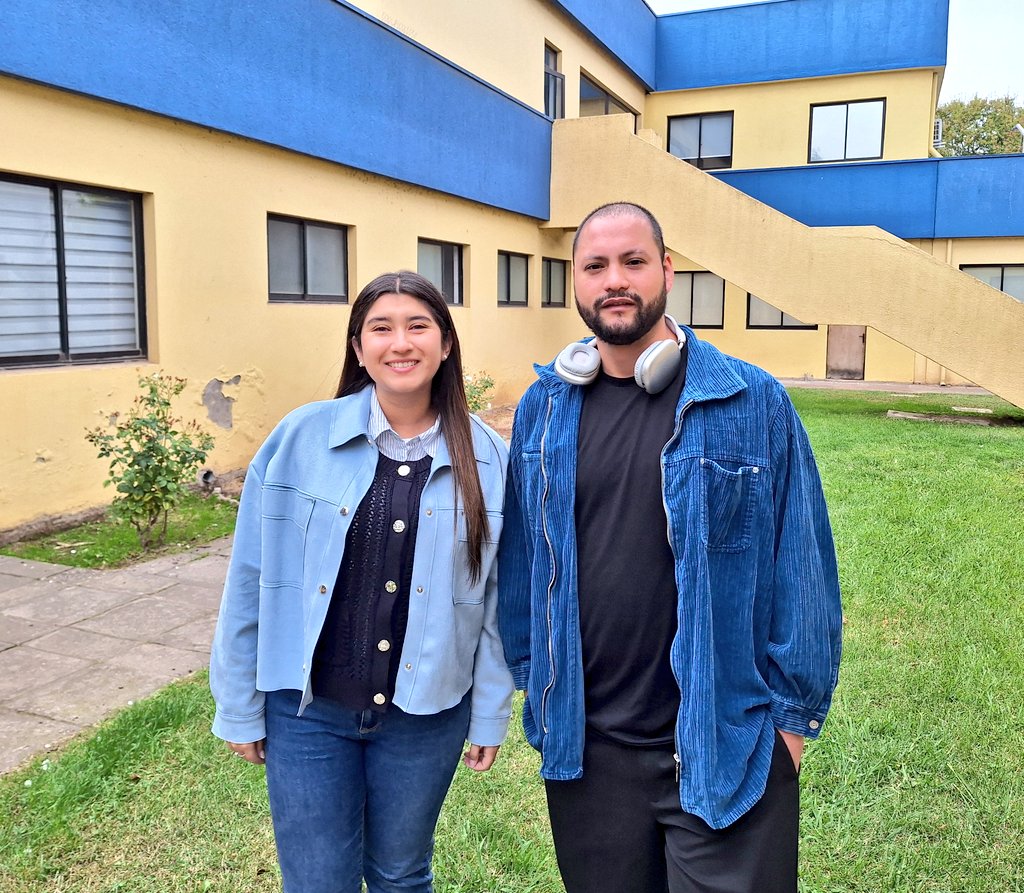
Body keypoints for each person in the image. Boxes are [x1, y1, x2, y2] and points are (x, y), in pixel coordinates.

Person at [498, 202, 842, 893]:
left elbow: (801, 563)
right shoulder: (544, 408)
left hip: (724, 743)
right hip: (589, 754)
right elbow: (521, 568)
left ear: (667, 269)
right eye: (595, 266)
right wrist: (538, 686)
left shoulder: (750, 400)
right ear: (576, 282)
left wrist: (789, 729)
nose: (614, 280)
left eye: (632, 261)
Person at [210, 271, 514, 893]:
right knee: (319, 882)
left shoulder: (488, 458)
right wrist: (238, 706)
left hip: (425, 717)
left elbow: (495, 606)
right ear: (357, 347)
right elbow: (250, 577)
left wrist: (488, 715)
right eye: (381, 328)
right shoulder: (299, 439)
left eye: (417, 326)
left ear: (446, 344)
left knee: (401, 876)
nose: (400, 343)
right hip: (309, 713)